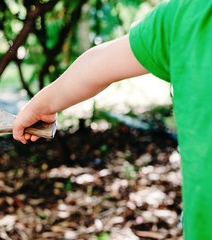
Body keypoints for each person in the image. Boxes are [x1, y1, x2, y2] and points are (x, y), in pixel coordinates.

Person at [13, 0, 212, 239]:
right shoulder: (185, 16)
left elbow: (97, 64)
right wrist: (41, 106)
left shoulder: (187, 14)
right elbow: (98, 64)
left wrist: (40, 107)